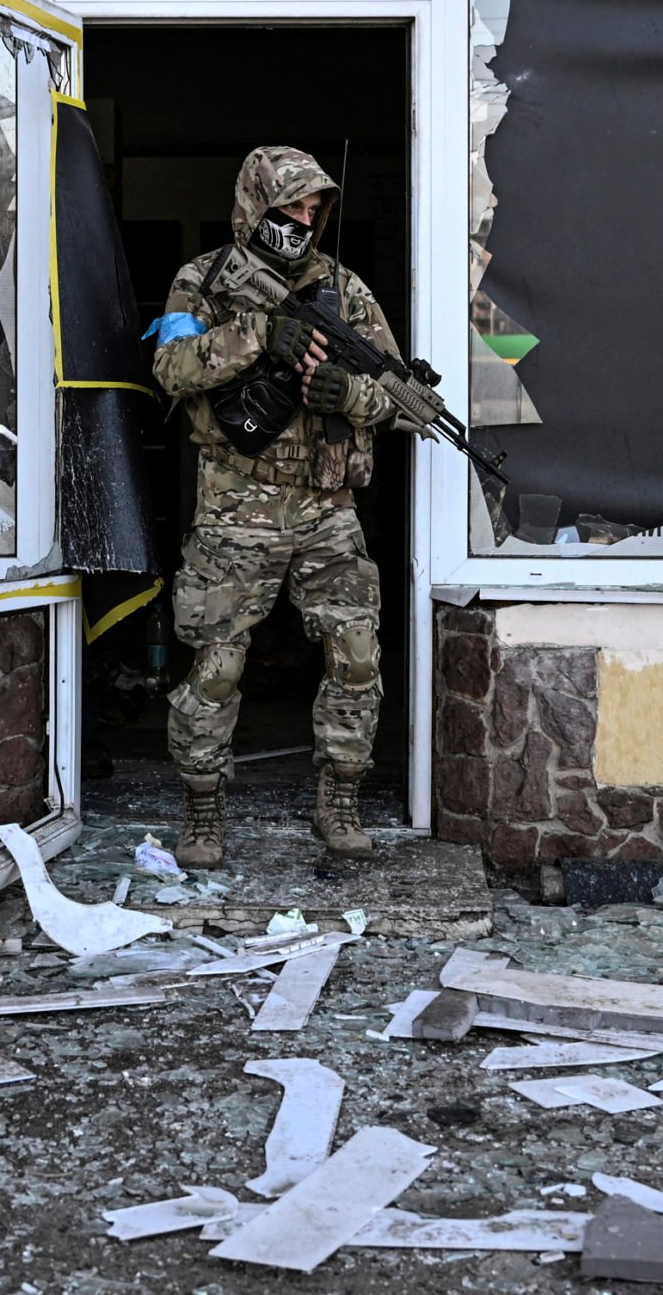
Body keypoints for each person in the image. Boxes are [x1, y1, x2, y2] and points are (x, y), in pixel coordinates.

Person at [147, 145, 401, 867]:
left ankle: (340, 794)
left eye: (314, 207)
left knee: (355, 653)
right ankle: (202, 804)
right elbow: (171, 368)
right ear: (256, 205)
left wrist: (345, 394)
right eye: (292, 205)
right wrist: (258, 334)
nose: (306, 217)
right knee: (218, 663)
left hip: (326, 499)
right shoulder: (202, 280)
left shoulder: (343, 290)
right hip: (236, 502)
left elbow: (395, 392)